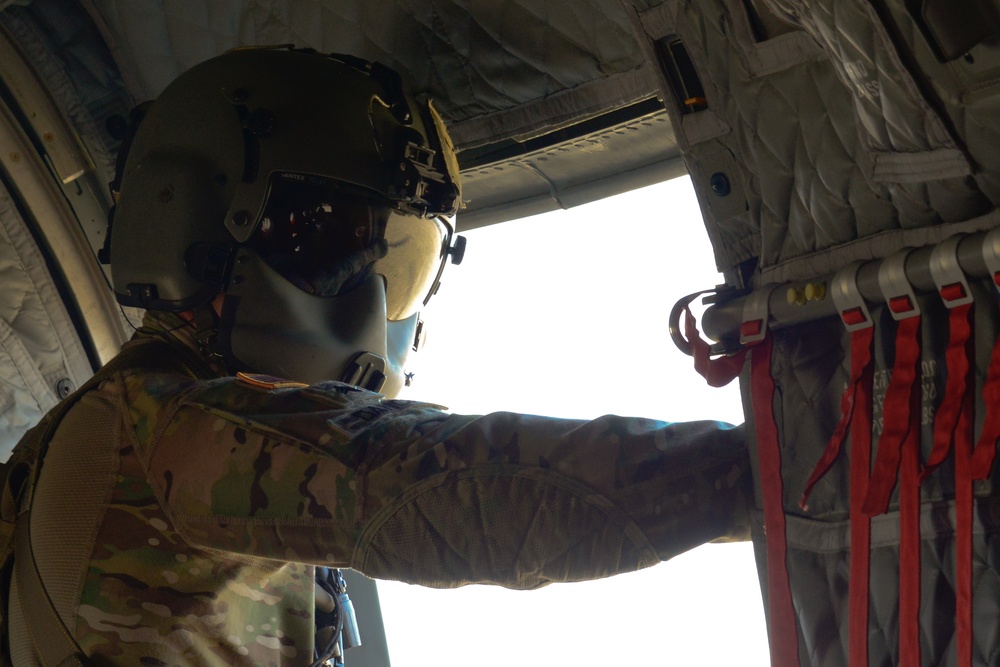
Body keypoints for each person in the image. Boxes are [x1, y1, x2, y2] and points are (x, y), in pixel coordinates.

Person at [3, 47, 750, 665]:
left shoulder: (138, 422)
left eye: (401, 267)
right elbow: (460, 489)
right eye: (328, 243)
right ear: (193, 225)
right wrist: (769, 466)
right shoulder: (167, 428)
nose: (370, 307)